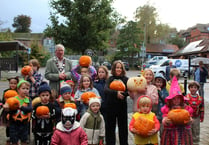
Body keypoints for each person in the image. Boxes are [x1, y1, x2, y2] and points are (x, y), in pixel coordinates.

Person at [161, 76, 193, 145]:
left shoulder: (185, 108)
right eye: (174, 99)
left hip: (183, 132)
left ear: (181, 99)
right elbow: (164, 117)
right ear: (170, 100)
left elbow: (189, 118)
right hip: (170, 132)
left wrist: (190, 120)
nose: (176, 101)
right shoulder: (168, 108)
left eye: (178, 98)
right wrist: (165, 121)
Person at [104, 60, 129, 145]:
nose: (119, 69)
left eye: (120, 68)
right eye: (117, 67)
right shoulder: (110, 79)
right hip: (111, 106)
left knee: (123, 128)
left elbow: (128, 91)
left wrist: (123, 94)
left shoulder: (126, 79)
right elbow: (106, 89)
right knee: (110, 127)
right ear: (113, 69)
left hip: (122, 106)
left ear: (122, 69)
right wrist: (116, 93)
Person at [4, 80, 32, 145]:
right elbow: (10, 110)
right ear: (18, 89)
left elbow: (30, 109)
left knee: (24, 140)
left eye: (27, 89)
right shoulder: (13, 99)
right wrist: (7, 108)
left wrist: (20, 107)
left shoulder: (28, 99)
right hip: (14, 123)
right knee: (14, 140)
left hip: (24, 123)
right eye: (23, 88)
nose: (25, 90)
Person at [0, 76, 19, 144]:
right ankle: (8, 137)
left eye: (14, 83)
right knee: (8, 125)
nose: (12, 85)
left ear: (17, 84)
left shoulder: (18, 92)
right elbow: (3, 101)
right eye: (11, 83)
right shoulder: (6, 91)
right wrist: (2, 105)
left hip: (15, 111)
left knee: (15, 125)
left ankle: (15, 138)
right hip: (7, 111)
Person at [154, 73, 169, 137]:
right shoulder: (153, 89)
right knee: (154, 130)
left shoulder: (164, 91)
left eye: (160, 82)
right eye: (157, 82)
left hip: (162, 113)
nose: (159, 84)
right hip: (155, 112)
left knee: (162, 132)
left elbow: (166, 99)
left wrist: (160, 92)